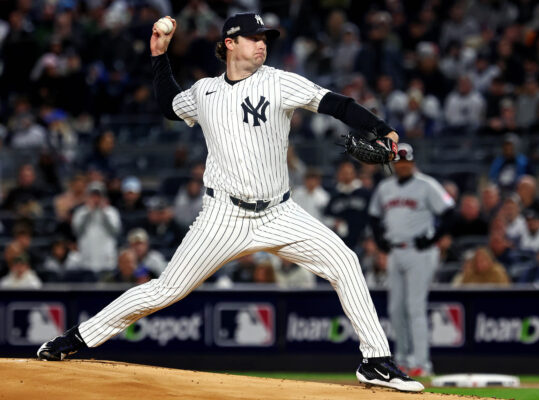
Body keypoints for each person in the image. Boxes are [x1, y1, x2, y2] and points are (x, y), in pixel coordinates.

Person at [37, 14, 424, 392]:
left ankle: (375, 361)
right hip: (224, 216)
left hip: (279, 212)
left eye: (265, 38)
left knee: (345, 261)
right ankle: (77, 338)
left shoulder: (278, 82)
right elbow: (169, 105)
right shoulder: (205, 91)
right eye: (254, 37)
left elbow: (335, 103)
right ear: (229, 44)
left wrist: (381, 128)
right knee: (164, 290)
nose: (262, 44)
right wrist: (159, 57)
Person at [368, 143, 455, 377]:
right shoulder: (385, 188)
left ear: (413, 163)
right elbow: (374, 217)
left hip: (420, 252)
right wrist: (380, 241)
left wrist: (433, 239)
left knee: (414, 307)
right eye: (400, 162)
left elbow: (449, 213)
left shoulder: (427, 185)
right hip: (396, 252)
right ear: (395, 164)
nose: (404, 165)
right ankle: (403, 361)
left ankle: (422, 363)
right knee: (396, 309)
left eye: (407, 161)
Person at [71, 181, 122, 274]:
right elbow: (77, 232)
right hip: (86, 260)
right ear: (88, 197)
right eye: (93, 196)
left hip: (107, 261)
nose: (96, 199)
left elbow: (115, 232)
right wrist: (89, 212)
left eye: (98, 196)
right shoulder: (80, 212)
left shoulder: (111, 212)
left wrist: (103, 213)